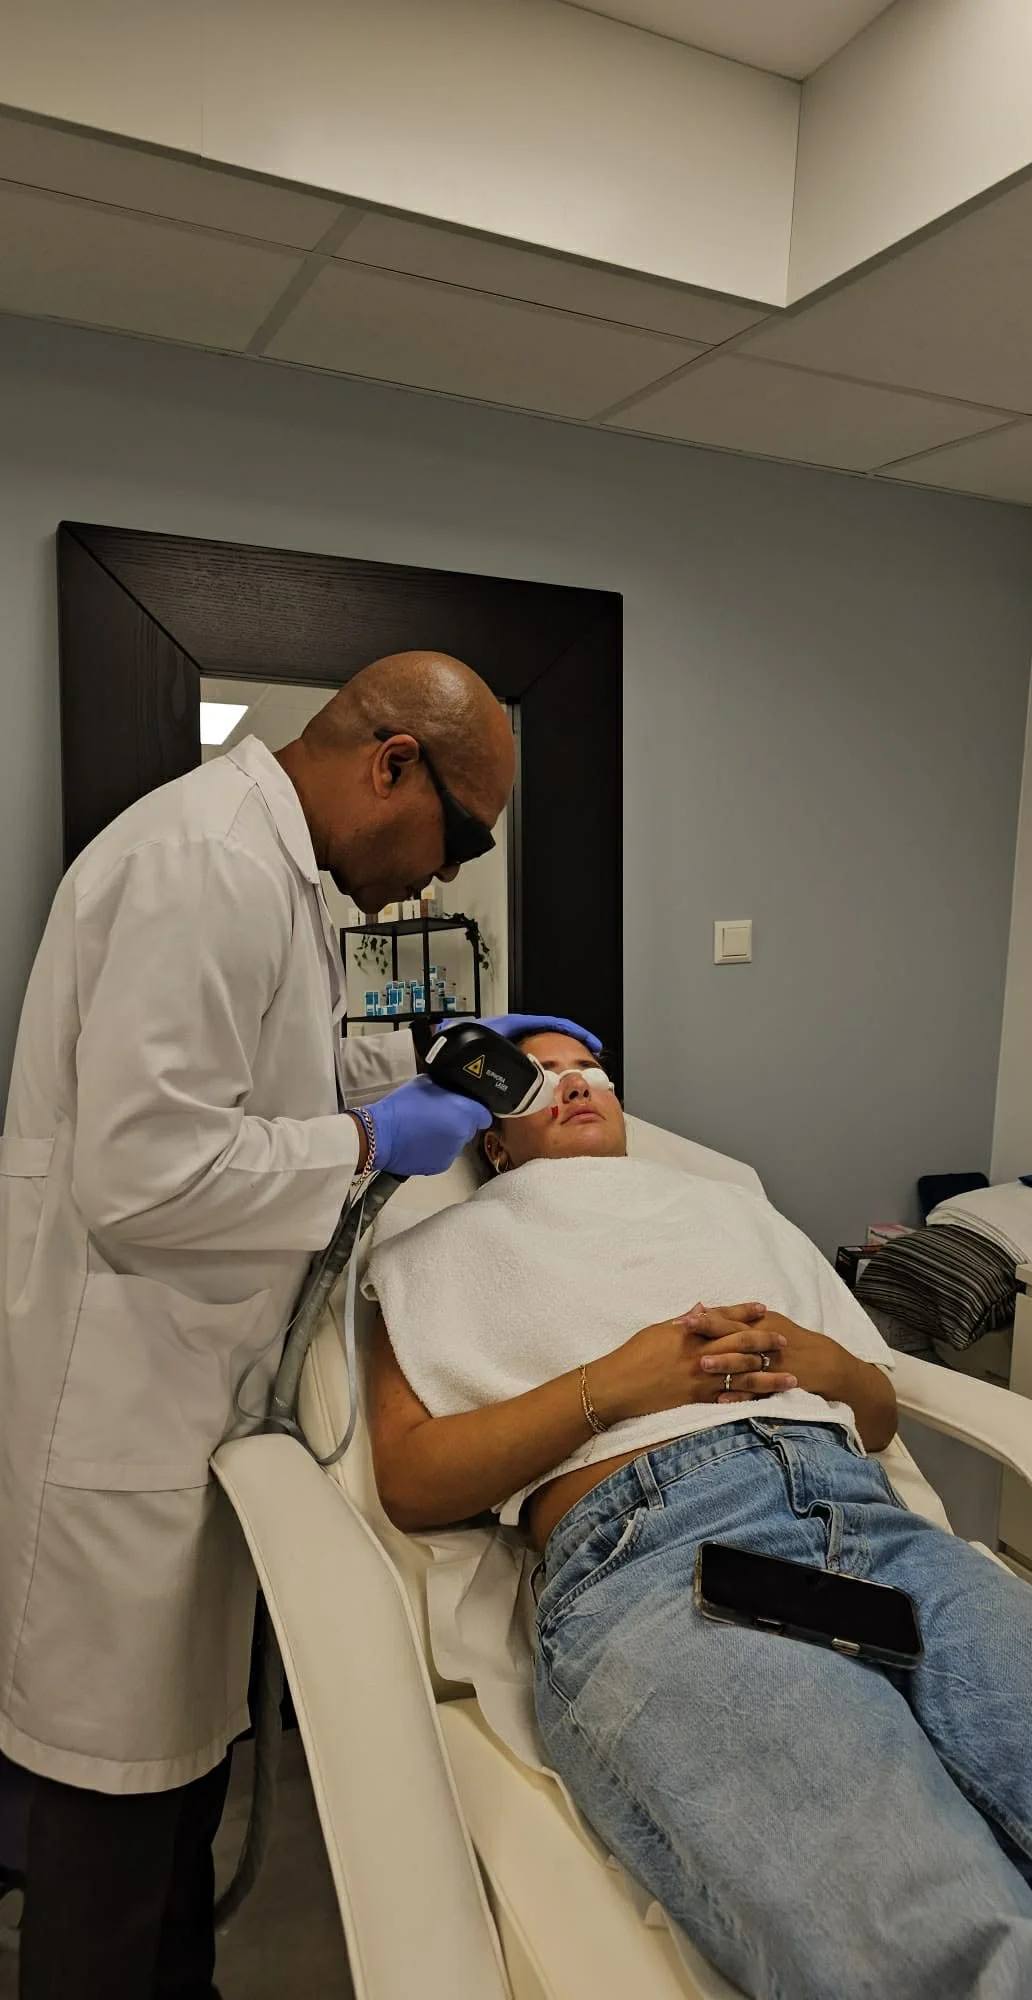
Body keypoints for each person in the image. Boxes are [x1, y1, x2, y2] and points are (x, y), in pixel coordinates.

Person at [0, 654, 596, 2000]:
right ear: (391, 764)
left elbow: (303, 1065)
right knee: (108, 1809)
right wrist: (370, 1137)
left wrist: (451, 1056)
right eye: (458, 843)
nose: (441, 881)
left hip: (198, 1396)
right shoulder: (201, 866)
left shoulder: (282, 880)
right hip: (121, 1396)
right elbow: (147, 1173)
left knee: (172, 1796)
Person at [369, 1031, 1032, 2000]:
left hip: (875, 1527)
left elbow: (877, 1407)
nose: (575, 1084)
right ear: (494, 1138)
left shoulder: (733, 1209)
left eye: (591, 1072)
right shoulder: (441, 1247)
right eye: (541, 1076)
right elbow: (413, 1477)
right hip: (662, 1560)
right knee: (939, 1929)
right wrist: (614, 1384)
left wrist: (824, 1361)